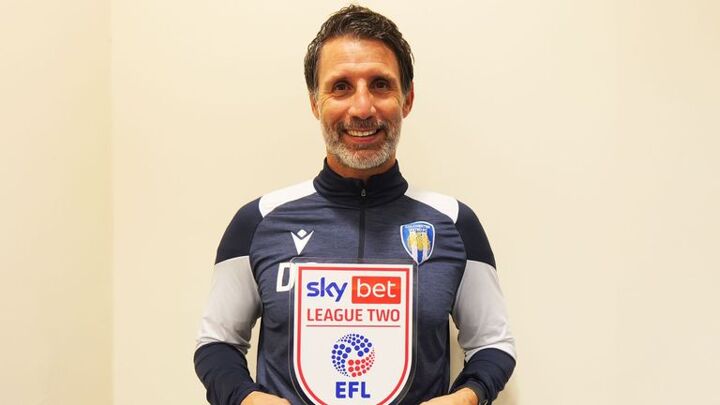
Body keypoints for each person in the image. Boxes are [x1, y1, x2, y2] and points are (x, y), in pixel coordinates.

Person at [194, 5, 515, 405]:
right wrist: (248, 399)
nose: (362, 108)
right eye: (341, 87)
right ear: (315, 102)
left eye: (380, 84)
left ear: (407, 99)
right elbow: (217, 343)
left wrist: (467, 397)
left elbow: (492, 343)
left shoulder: (455, 224)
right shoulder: (257, 222)